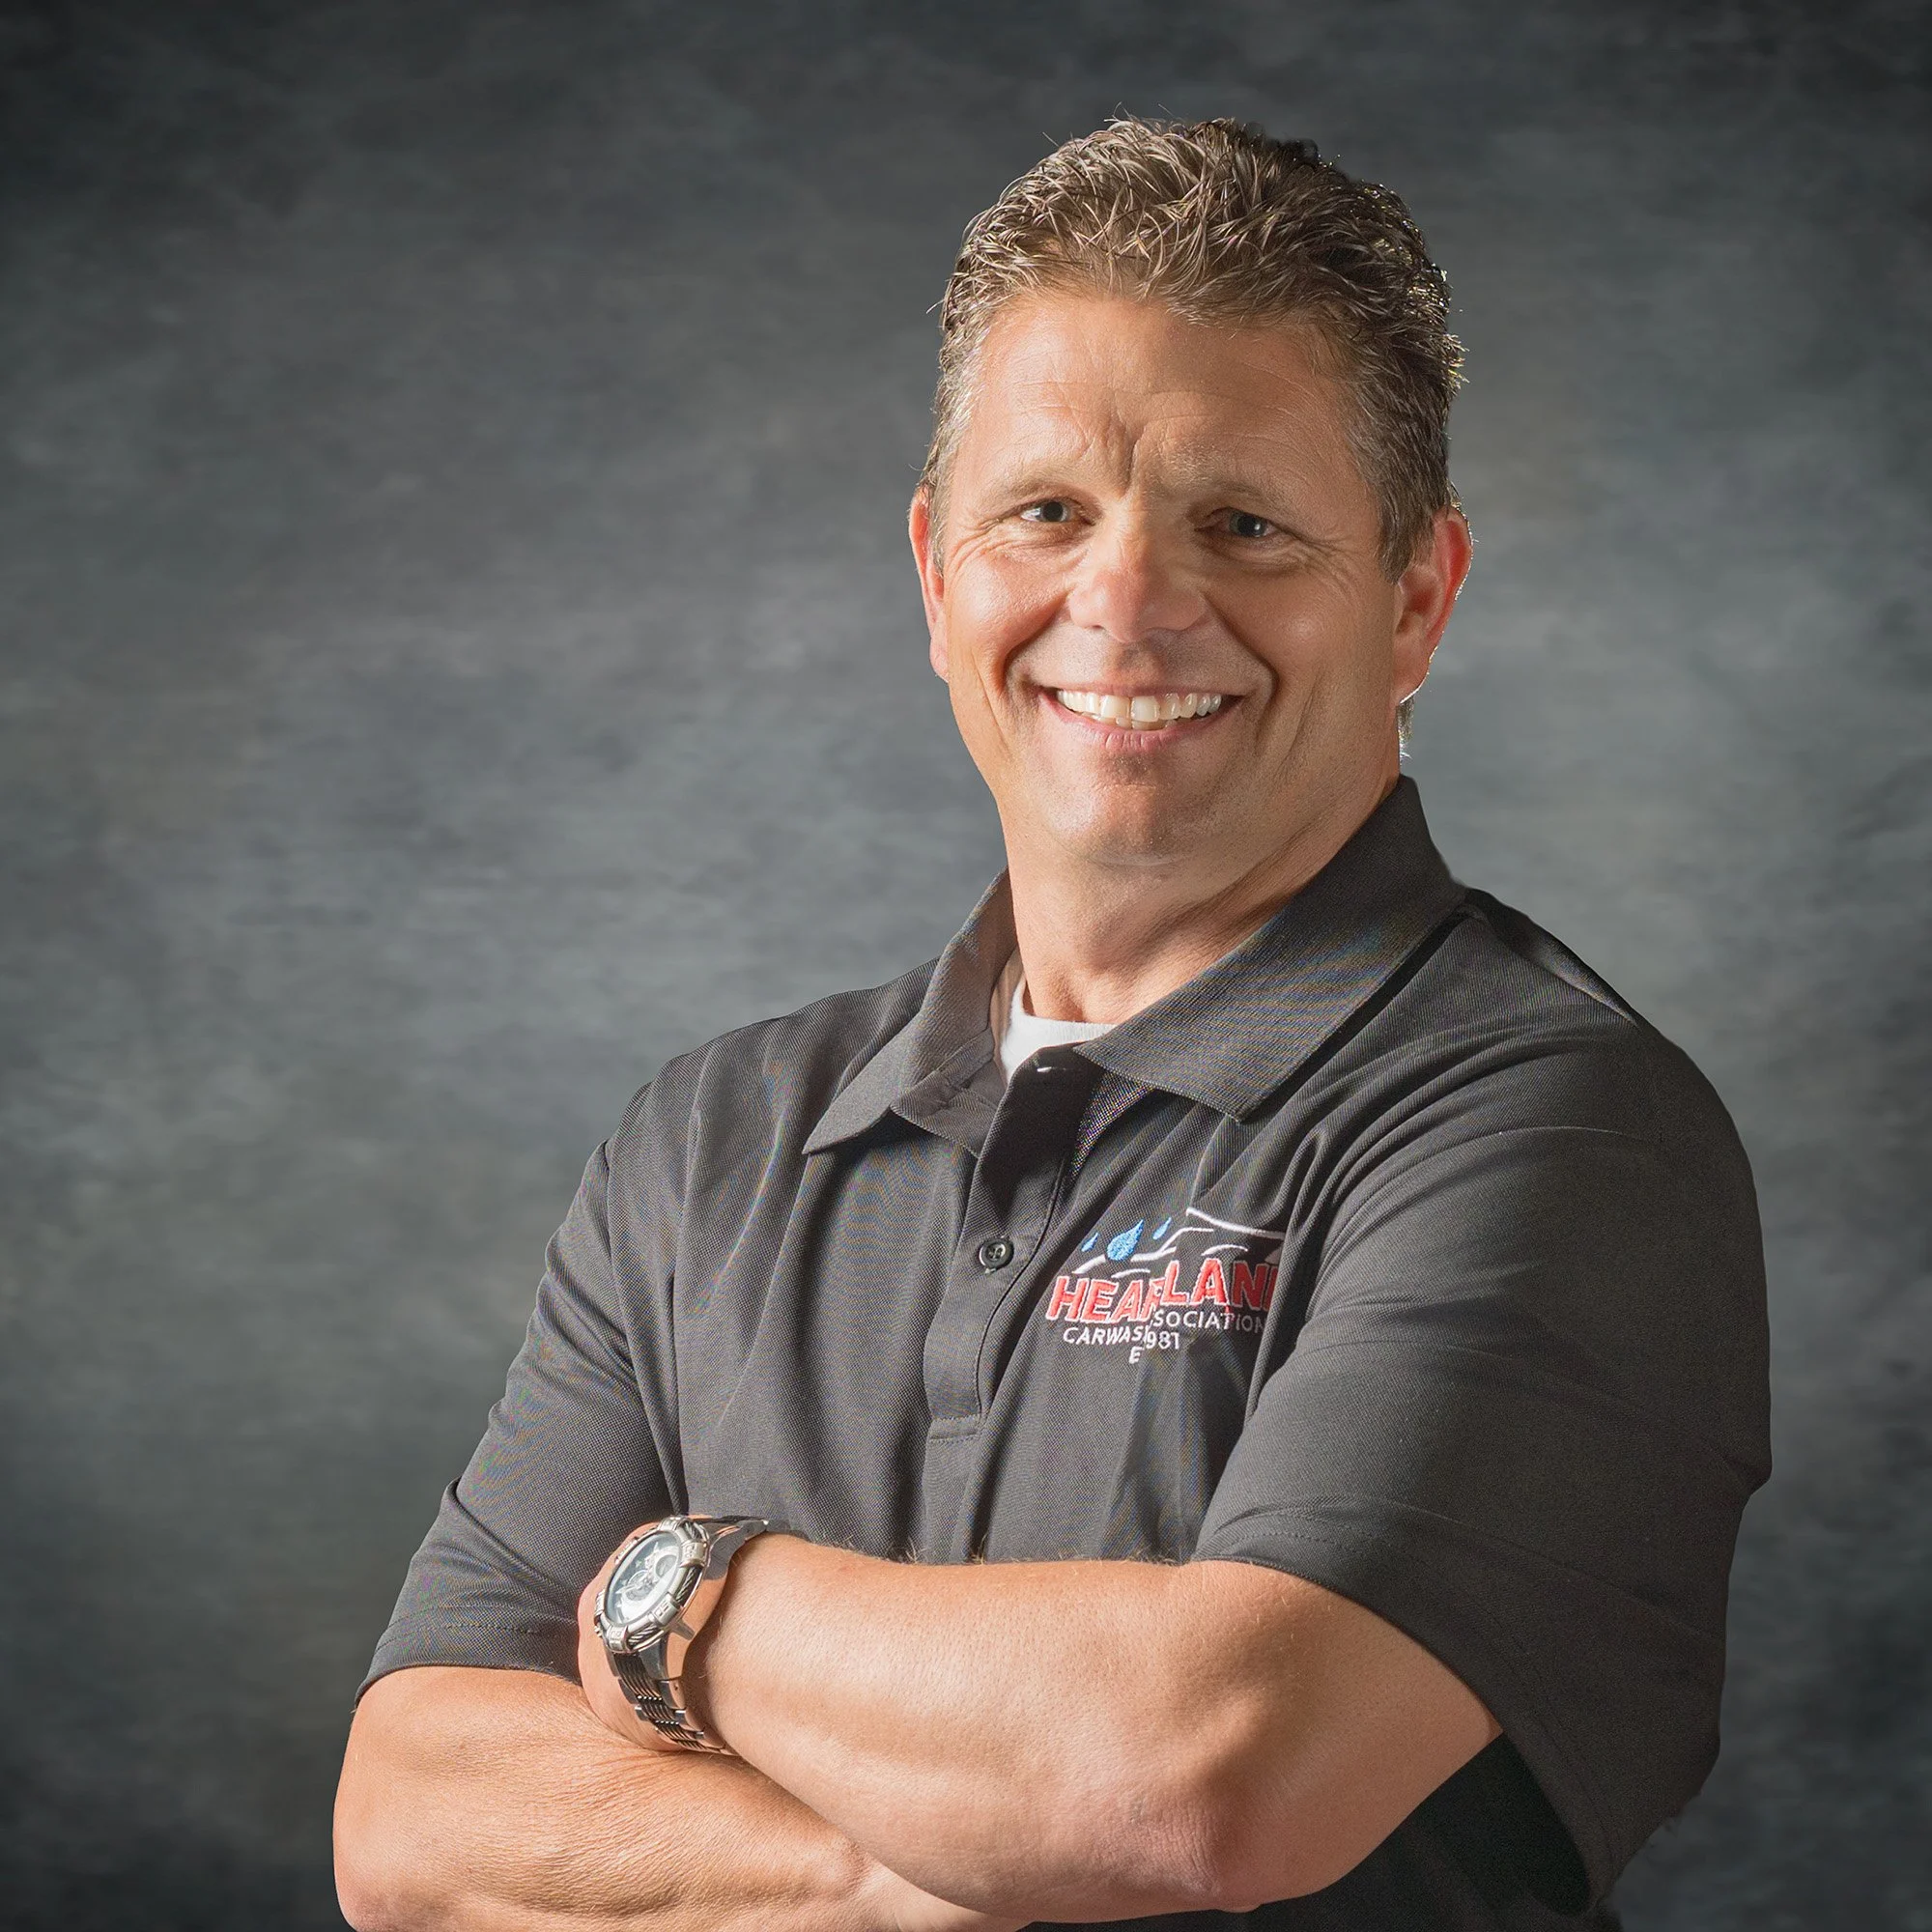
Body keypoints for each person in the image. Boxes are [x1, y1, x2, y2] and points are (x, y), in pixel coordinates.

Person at [333, 119, 1770, 1932]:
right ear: (939, 573)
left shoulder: (1550, 1126)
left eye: (1242, 523)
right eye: (1049, 513)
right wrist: (892, 1871)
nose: (1128, 601)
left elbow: (1211, 1774)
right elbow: (407, 1816)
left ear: (1415, 601)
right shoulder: (715, 1137)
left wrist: (682, 1598)